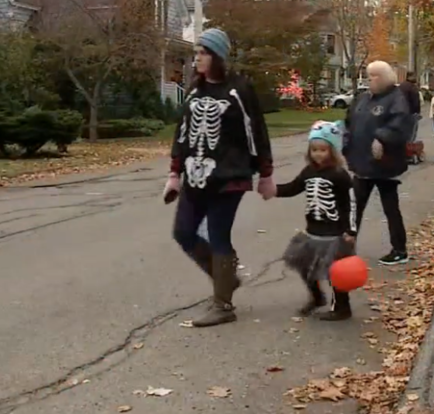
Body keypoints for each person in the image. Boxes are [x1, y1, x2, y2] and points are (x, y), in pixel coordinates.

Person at [164, 28, 275, 328]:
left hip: (230, 178)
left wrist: (266, 174)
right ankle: (224, 279)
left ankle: (223, 304)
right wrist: (174, 174)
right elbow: (182, 134)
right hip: (195, 177)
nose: (197, 58)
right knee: (183, 232)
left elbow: (257, 132)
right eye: (196, 52)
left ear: (217, 56)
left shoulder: (239, 90)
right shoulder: (195, 91)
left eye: (203, 53)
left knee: (218, 236)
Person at [278, 121, 357, 321]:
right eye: (314, 150)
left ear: (332, 151)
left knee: (336, 272)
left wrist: (351, 230)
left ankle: (342, 307)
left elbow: (351, 203)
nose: (318, 154)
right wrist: (273, 191)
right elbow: (293, 188)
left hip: (334, 233)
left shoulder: (340, 175)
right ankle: (316, 297)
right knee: (304, 264)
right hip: (313, 231)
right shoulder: (308, 172)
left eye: (323, 150)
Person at [344, 60, 413, 266]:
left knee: (390, 208)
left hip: (385, 165)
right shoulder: (362, 99)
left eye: (374, 76)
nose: (369, 79)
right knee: (353, 208)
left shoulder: (396, 99)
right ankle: (346, 247)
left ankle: (399, 249)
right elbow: (349, 122)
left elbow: (400, 124)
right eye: (368, 75)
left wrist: (382, 138)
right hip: (361, 164)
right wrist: (345, 145)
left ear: (384, 78)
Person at [399, 73, 422, 143]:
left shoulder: (400, 86)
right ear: (410, 77)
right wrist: (417, 112)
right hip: (411, 113)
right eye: (414, 76)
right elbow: (416, 101)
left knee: (402, 132)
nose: (416, 78)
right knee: (412, 133)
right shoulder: (412, 87)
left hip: (400, 113)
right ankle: (409, 146)